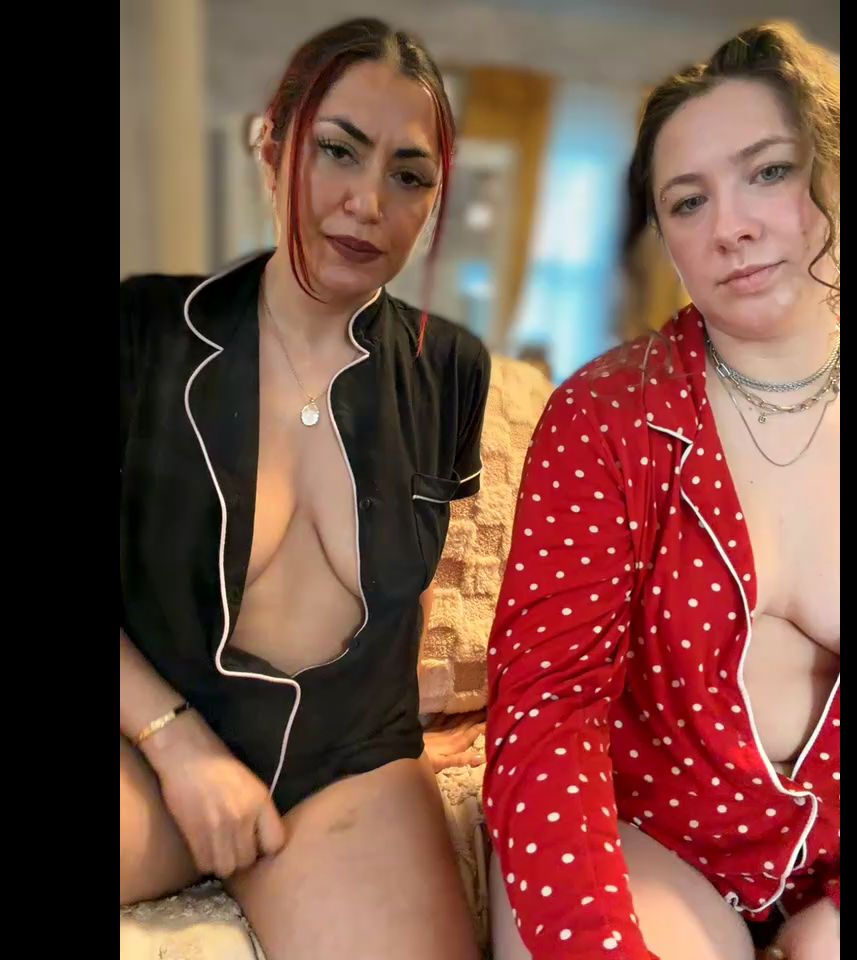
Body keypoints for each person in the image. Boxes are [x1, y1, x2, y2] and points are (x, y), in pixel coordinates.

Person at [120, 18, 490, 960]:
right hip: (150, 740)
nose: (367, 202)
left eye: (409, 175)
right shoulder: (143, 330)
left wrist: (427, 719)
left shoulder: (450, 367)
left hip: (347, 764)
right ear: (271, 147)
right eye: (337, 150)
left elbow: (409, 590)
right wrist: (175, 742)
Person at [484, 21, 839, 960]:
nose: (731, 226)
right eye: (688, 201)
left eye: (768, 172)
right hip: (645, 840)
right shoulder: (603, 415)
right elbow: (546, 711)